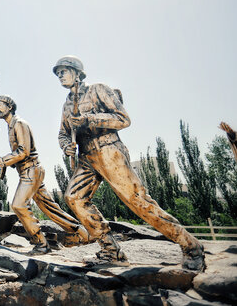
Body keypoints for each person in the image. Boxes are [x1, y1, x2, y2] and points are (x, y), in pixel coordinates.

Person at [54, 55, 205, 270]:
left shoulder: (98, 90)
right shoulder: (67, 104)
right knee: (74, 198)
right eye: (58, 73)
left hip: (109, 150)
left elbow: (123, 119)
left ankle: (191, 245)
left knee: (138, 201)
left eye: (64, 71)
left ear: (77, 73)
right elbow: (62, 133)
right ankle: (110, 250)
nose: (60, 76)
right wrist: (66, 145)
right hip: (86, 157)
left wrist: (90, 119)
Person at [0, 95, 89, 253]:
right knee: (49, 207)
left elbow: (23, 151)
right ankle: (80, 232)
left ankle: (41, 243)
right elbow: (19, 154)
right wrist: (2, 164)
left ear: (9, 107)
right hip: (29, 170)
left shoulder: (19, 123)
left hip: (31, 170)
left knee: (18, 205)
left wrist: (0, 161)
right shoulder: (11, 125)